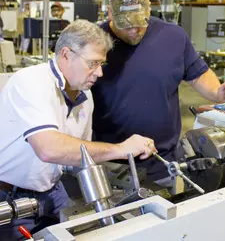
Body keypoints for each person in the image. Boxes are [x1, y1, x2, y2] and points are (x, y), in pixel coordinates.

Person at [0, 19, 156, 240]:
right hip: (10, 198)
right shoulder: (31, 82)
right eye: (92, 63)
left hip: (53, 192)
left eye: (101, 64)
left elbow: (77, 154)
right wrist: (121, 149)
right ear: (66, 54)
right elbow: (49, 149)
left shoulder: (85, 96)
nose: (99, 73)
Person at [91, 0, 225, 185]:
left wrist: (216, 92)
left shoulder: (173, 37)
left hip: (164, 163)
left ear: (149, 8)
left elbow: (197, 74)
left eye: (139, 24)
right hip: (111, 166)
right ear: (110, 13)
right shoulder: (94, 43)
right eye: (126, 25)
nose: (133, 30)